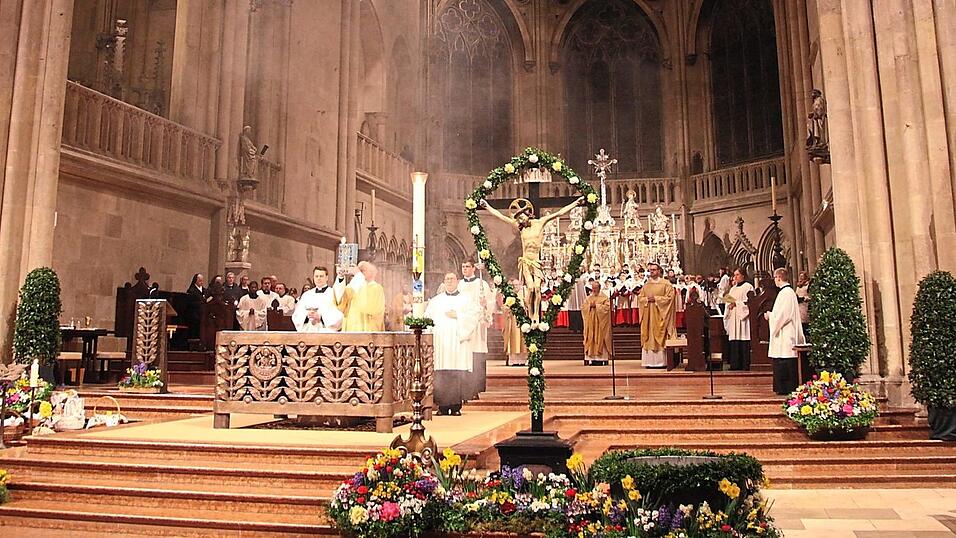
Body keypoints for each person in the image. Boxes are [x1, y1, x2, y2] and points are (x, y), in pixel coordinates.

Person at [479, 196, 586, 322]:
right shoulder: (520, 227)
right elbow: (501, 217)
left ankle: (536, 315)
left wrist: (575, 203)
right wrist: (487, 206)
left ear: (527, 214)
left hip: (536, 262)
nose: (520, 221)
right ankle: (530, 314)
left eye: (521, 217)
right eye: (518, 219)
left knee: (537, 288)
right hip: (525, 262)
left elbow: (559, 213)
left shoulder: (540, 223)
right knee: (530, 288)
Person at [424, 273, 479, 415]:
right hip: (441, 342)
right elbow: (427, 319)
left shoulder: (466, 299)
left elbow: (474, 317)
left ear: (457, 281)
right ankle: (442, 406)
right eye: (447, 279)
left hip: (458, 342)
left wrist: (459, 316)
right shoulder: (436, 301)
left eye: (452, 279)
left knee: (456, 373)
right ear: (443, 282)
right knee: (441, 374)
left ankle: (455, 407)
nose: (449, 281)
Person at [457, 261, 495, 400]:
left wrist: (486, 305)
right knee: (464, 356)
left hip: (477, 324)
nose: (465, 269)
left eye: (467, 266)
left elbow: (490, 302)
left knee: (476, 356)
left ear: (474, 268)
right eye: (463, 266)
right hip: (463, 324)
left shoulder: (481, 284)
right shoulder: (459, 284)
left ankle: (476, 388)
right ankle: (464, 387)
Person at [765, 268, 806, 394]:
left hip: (786, 334)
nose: (774, 281)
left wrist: (770, 316)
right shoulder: (786, 292)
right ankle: (782, 388)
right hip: (785, 332)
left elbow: (783, 315)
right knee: (782, 358)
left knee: (785, 359)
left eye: (775, 278)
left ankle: (785, 388)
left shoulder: (786, 293)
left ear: (778, 277)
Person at [637, 263, 676, 368]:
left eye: (654, 270)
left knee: (661, 333)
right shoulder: (646, 285)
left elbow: (670, 298)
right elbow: (640, 298)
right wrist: (646, 300)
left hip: (661, 316)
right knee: (649, 335)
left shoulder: (666, 284)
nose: (652, 272)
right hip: (648, 317)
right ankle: (649, 362)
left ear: (659, 271)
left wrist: (656, 299)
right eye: (650, 270)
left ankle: (662, 362)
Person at [336, 261, 386, 331]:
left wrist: (359, 275)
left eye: (362, 270)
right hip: (350, 328)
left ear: (372, 273)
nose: (359, 272)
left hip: (367, 329)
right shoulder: (353, 285)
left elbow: (367, 307)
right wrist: (340, 277)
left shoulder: (376, 288)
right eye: (358, 270)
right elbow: (340, 302)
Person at [292, 266, 342, 332]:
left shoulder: (333, 293)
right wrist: (307, 316)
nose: (318, 278)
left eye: (321, 276)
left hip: (326, 331)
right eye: (316, 276)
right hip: (308, 330)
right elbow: (297, 314)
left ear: (326, 277)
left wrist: (321, 317)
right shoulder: (307, 295)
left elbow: (339, 313)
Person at [723, 268, 755, 370]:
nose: (735, 277)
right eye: (734, 275)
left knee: (744, 339)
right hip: (734, 317)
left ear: (743, 276)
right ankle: (735, 365)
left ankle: (744, 365)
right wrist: (729, 304)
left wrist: (736, 303)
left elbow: (751, 303)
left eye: (737, 275)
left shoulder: (748, 287)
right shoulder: (733, 289)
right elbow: (728, 301)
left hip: (743, 319)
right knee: (734, 340)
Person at [582, 279, 612, 365]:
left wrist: (597, 306)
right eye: (593, 288)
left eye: (595, 288)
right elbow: (583, 308)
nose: (594, 290)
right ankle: (592, 358)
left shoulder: (604, 298)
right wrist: (589, 307)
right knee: (591, 337)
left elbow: (607, 308)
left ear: (599, 288)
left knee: (601, 337)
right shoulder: (588, 298)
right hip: (591, 323)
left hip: (600, 323)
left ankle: (602, 358)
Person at [500, 279, 527, 366]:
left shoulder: (524, 294)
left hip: (523, 321)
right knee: (513, 338)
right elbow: (503, 307)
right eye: (513, 285)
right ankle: (513, 360)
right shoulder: (508, 295)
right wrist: (508, 309)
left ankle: (522, 360)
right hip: (512, 321)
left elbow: (528, 306)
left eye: (517, 285)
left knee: (522, 339)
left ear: (520, 285)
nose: (515, 287)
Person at [186, 274, 205, 339]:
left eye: (202, 280)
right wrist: (201, 302)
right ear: (195, 281)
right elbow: (190, 303)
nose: (201, 282)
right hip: (195, 315)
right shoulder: (191, 291)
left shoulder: (205, 290)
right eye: (200, 280)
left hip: (203, 314)